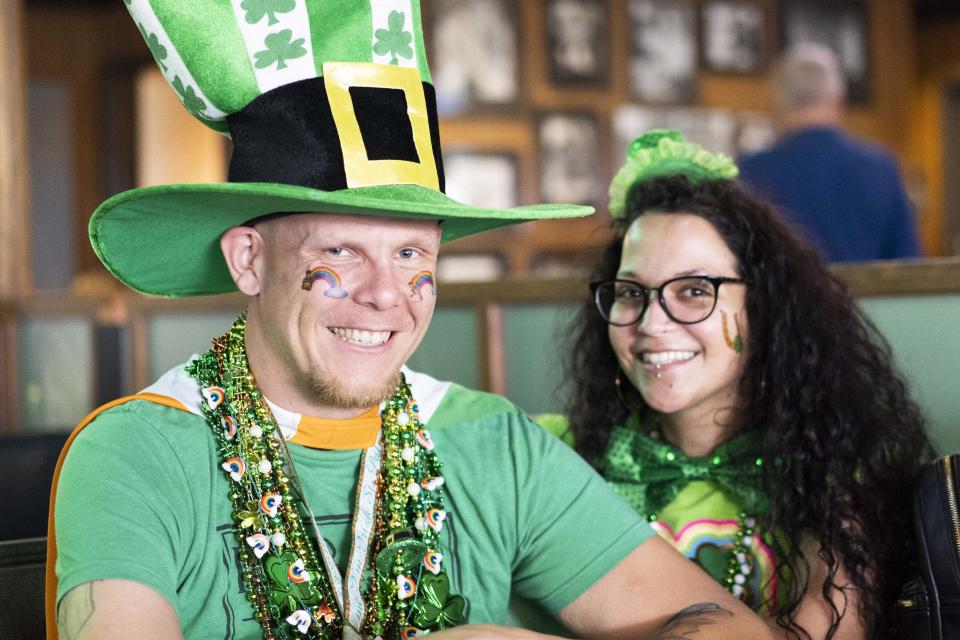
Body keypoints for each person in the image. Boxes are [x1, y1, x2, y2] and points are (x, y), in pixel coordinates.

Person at [46, 4, 773, 640]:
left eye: (410, 252)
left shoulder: (492, 445)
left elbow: (733, 628)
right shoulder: (135, 453)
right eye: (340, 250)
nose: (386, 295)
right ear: (248, 260)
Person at [552, 130, 932, 639]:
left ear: (763, 307)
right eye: (630, 292)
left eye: (692, 290)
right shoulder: (560, 456)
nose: (651, 323)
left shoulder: (836, 470)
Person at [738, 44, 922, 263]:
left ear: (777, 101)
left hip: (786, 298)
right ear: (837, 96)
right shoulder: (881, 168)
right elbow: (908, 264)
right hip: (865, 297)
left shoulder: (753, 171)